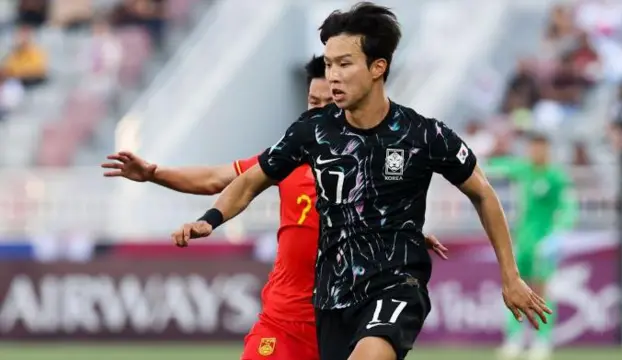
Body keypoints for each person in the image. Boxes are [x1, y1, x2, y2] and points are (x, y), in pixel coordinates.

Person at [173, 3, 552, 360]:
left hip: (396, 284)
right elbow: (252, 180)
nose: (333, 75)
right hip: (333, 295)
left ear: (377, 67)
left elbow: (482, 193)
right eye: (329, 64)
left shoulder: (423, 135)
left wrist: (510, 275)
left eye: (344, 64)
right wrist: (211, 218)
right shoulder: (313, 132)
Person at [103, 55, 449, 360]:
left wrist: (409, 234)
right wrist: (155, 174)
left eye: (328, 103)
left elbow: (387, 218)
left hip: (343, 317)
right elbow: (215, 177)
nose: (318, 111)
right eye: (313, 101)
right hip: (283, 320)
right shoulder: (288, 156)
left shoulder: (372, 164)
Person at [487, 133, 577, 360]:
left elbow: (568, 207)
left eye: (540, 147)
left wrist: (558, 235)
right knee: (514, 287)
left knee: (542, 291)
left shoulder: (556, 176)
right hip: (522, 241)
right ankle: (514, 340)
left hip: (544, 243)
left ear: (547, 149)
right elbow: (497, 167)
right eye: (532, 147)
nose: (535, 151)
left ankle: (542, 341)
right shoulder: (524, 170)